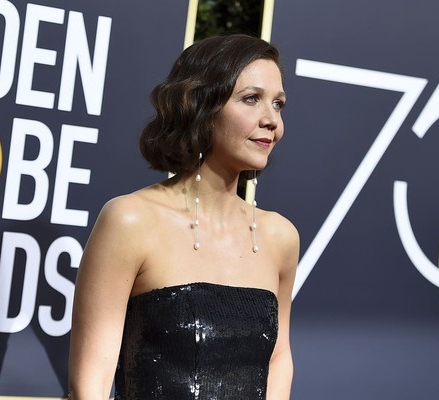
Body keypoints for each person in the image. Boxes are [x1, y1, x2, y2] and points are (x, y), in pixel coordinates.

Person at [67, 34, 299, 400]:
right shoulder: (131, 221)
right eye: (251, 98)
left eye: (278, 104)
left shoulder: (279, 237)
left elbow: (278, 360)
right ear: (201, 105)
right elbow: (88, 387)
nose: (271, 120)